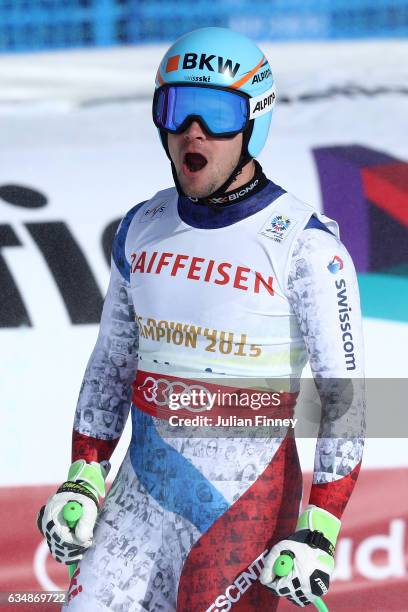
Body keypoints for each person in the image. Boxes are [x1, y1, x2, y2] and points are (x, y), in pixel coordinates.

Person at [37, 27, 365, 610]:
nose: (194, 131)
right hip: (135, 507)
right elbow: (111, 366)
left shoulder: (307, 248)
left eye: (215, 113)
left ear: (254, 123)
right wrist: (84, 476)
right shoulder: (141, 225)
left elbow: (346, 399)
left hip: (241, 521)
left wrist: (321, 528)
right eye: (177, 108)